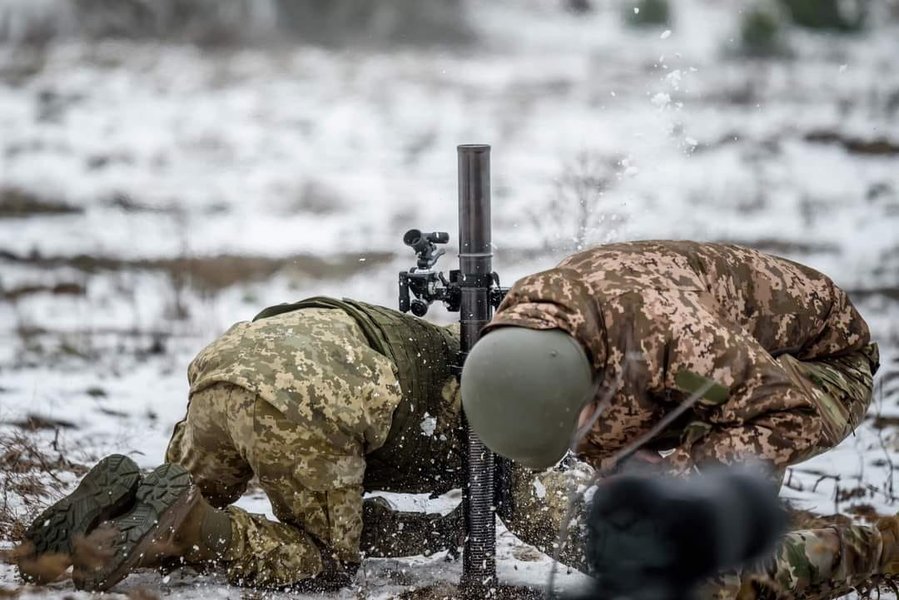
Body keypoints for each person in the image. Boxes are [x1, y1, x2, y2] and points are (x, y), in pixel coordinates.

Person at [19, 296, 586, 591]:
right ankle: (188, 527)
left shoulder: (468, 352)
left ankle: (119, 507)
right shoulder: (511, 418)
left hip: (230, 364)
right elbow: (553, 519)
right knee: (326, 561)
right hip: (311, 396)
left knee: (181, 487)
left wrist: (440, 530)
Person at [461, 240, 890, 598]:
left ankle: (879, 549)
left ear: (585, 387)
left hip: (820, 368)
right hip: (721, 369)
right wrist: (619, 464)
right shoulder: (533, 330)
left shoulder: (677, 338)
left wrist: (676, 471)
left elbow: (781, 414)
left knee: (698, 563)